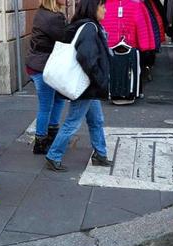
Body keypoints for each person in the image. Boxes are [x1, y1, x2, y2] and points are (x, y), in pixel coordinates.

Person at [45, 0, 112, 171]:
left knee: (97, 120)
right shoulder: (90, 28)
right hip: (85, 86)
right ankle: (54, 155)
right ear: (93, 8)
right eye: (102, 5)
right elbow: (86, 57)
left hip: (89, 86)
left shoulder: (84, 25)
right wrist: (98, 77)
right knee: (73, 122)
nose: (105, 9)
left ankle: (100, 154)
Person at [25, 0, 66, 154]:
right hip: (44, 67)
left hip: (38, 64)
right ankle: (41, 142)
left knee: (58, 99)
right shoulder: (54, 17)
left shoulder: (41, 12)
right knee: (46, 105)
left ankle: (50, 135)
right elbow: (65, 38)